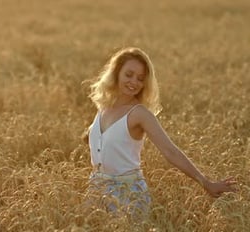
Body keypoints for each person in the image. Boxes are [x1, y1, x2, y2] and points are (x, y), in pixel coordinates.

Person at [83, 47, 236, 219]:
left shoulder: (140, 114)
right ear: (116, 73)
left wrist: (206, 183)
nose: (134, 82)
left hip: (128, 195)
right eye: (129, 74)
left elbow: (171, 152)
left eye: (140, 79)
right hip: (96, 192)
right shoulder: (104, 107)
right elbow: (99, 139)